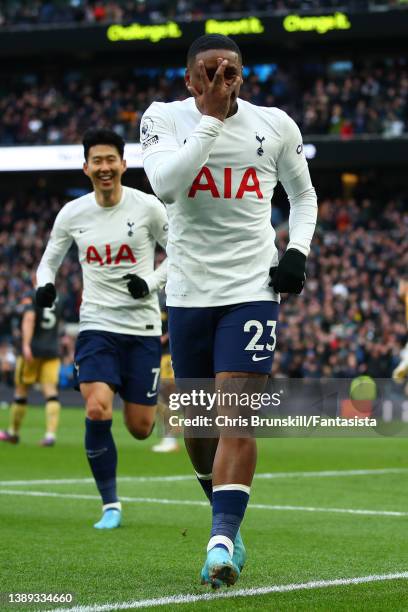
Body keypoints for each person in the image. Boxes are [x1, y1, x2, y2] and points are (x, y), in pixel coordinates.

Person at [141, 34, 317, 587]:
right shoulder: (163, 119)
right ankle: (228, 523)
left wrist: (297, 251)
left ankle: (218, 542)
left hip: (252, 288)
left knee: (235, 413)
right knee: (198, 425)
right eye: (210, 71)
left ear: (245, 75)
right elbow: (167, 185)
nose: (223, 80)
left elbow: (304, 195)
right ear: (190, 79)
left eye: (233, 70)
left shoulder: (275, 124)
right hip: (190, 290)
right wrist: (211, 120)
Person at [35, 128, 168, 529]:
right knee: (96, 408)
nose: (105, 167)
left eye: (111, 160)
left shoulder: (148, 207)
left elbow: (181, 251)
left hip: (143, 327)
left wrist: (151, 282)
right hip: (96, 326)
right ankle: (111, 504)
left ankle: (133, 402)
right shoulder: (72, 214)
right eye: (98, 161)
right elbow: (48, 262)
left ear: (123, 164)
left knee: (141, 428)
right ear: (86, 167)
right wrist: (44, 285)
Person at [0, 291, 62, 446]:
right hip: (52, 350)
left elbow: (29, 318)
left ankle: (13, 432)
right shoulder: (59, 297)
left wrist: (26, 345)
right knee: (51, 393)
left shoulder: (33, 295)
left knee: (21, 391)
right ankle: (50, 435)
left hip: (32, 350)